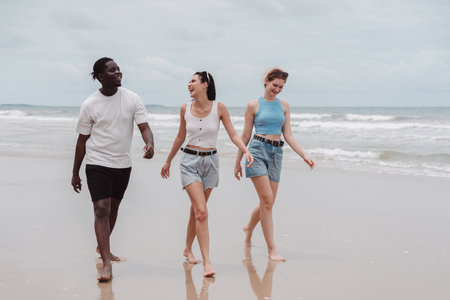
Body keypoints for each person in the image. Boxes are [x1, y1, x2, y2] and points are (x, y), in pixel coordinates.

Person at [161, 71, 254, 277]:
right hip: (189, 162)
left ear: (205, 84)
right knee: (202, 212)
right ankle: (207, 263)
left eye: (193, 81)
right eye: (189, 81)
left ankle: (187, 248)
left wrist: (246, 150)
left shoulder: (219, 108)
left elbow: (233, 134)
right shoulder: (185, 108)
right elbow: (180, 136)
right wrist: (168, 160)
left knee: (197, 211)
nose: (189, 84)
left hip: (211, 163)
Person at [71, 57, 154, 282]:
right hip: (97, 162)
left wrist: (149, 143)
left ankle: (103, 249)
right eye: (112, 70)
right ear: (100, 76)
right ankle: (107, 262)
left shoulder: (131, 98)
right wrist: (75, 172)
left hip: (122, 164)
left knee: (113, 209)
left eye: (118, 69)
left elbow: (144, 127)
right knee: (101, 209)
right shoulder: (90, 104)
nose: (118, 72)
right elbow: (82, 140)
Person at [234, 68, 315, 261]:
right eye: (274, 85)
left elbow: (288, 135)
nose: (277, 89)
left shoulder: (284, 106)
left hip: (276, 153)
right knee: (268, 202)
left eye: (281, 87)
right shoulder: (253, 105)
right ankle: (272, 250)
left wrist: (304, 154)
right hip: (256, 152)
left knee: (267, 202)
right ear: (266, 81)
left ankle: (248, 229)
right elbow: (244, 136)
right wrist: (237, 161)